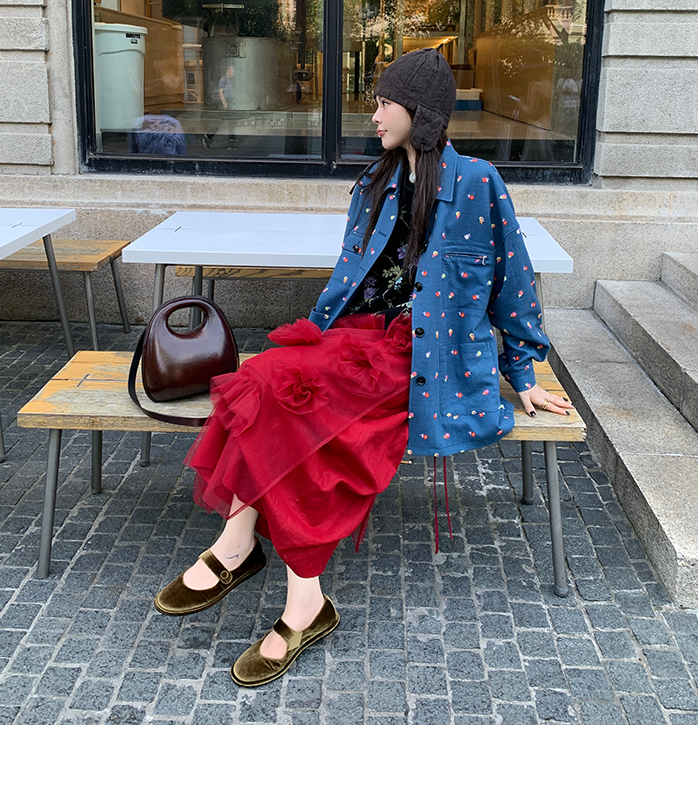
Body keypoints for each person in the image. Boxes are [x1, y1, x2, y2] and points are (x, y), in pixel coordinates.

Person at [153, 48, 569, 687]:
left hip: (421, 358)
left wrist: (524, 376)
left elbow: (513, 285)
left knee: (300, 416)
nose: (373, 115)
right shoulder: (375, 182)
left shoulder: (477, 182)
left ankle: (280, 584)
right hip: (354, 341)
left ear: (420, 113)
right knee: (262, 380)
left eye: (384, 103)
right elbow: (353, 281)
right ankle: (254, 558)